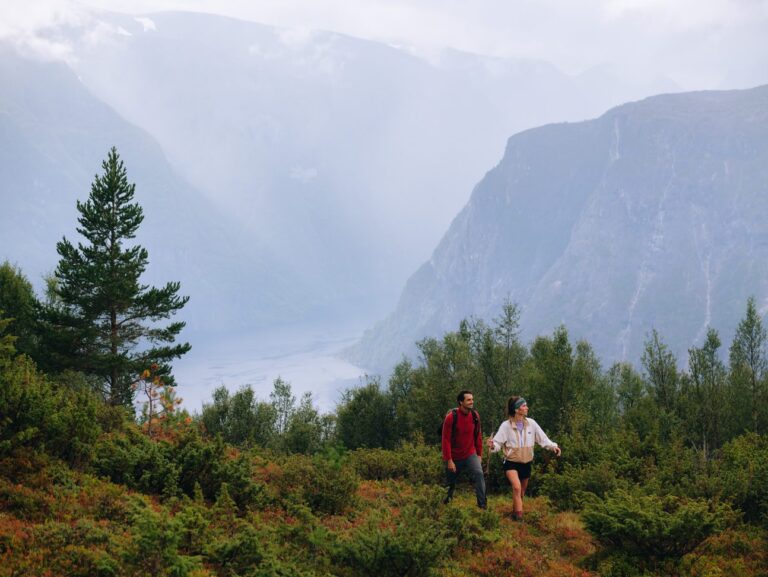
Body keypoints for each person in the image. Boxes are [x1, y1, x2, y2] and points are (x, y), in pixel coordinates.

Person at [487, 396, 560, 521]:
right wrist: (493, 445)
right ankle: (520, 520)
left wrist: (553, 446)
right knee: (516, 487)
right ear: (516, 409)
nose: (527, 407)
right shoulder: (506, 426)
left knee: (520, 493)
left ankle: (515, 514)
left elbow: (543, 439)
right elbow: (498, 443)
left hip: (526, 463)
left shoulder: (531, 423)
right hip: (511, 463)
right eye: (524, 405)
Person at [442, 390, 487, 509]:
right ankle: (445, 506)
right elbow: (445, 440)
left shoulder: (475, 416)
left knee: (479, 474)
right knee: (449, 483)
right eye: (469, 400)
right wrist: (449, 460)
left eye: (472, 399)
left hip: (470, 454)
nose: (472, 402)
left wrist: (479, 455)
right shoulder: (451, 417)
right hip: (454, 456)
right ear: (461, 402)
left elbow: (478, 436)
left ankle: (482, 506)